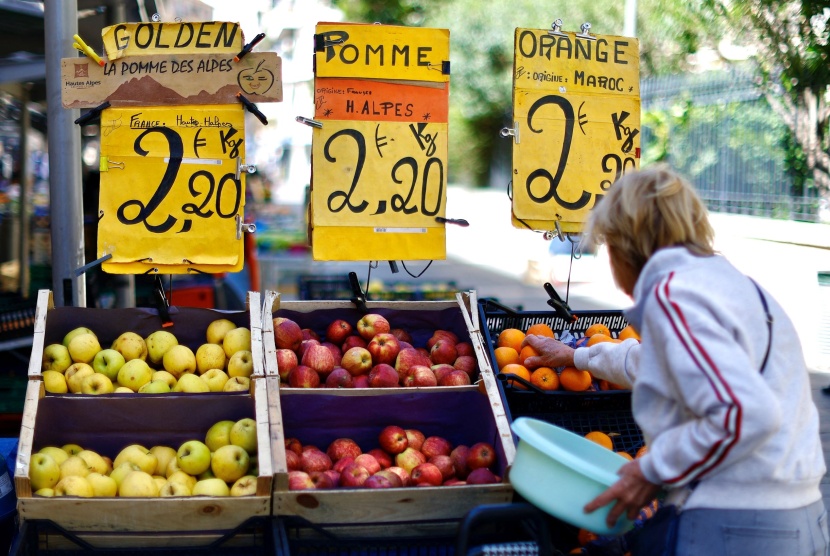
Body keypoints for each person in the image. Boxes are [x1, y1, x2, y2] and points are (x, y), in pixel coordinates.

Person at [522, 165, 828, 556]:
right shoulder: (731, 286)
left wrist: (650, 470)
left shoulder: (675, 296)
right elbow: (655, 363)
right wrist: (577, 356)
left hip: (737, 527)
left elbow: (747, 413)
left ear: (623, 246)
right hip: (802, 519)